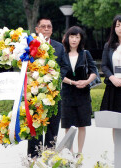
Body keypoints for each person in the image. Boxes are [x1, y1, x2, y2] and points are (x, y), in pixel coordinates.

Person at [28, 17, 65, 158]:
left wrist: (55, 76)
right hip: (34, 94)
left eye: (49, 26)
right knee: (35, 131)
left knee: (52, 130)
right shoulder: (30, 46)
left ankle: (49, 159)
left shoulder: (59, 47)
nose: (46, 29)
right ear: (37, 29)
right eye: (43, 26)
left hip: (53, 94)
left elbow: (65, 66)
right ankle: (33, 160)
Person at [61, 26, 96, 155]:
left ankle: (79, 153)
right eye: (72, 36)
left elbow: (94, 72)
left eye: (77, 37)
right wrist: (72, 82)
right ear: (67, 38)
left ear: (81, 39)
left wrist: (86, 82)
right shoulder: (62, 54)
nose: (74, 40)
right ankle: (70, 152)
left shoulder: (85, 54)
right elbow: (58, 74)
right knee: (68, 125)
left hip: (83, 94)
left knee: (82, 124)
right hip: (67, 94)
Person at [100, 15, 121, 136]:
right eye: (117, 25)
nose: (120, 28)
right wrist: (112, 78)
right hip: (114, 86)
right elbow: (104, 66)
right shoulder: (108, 46)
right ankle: (117, 151)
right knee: (116, 123)